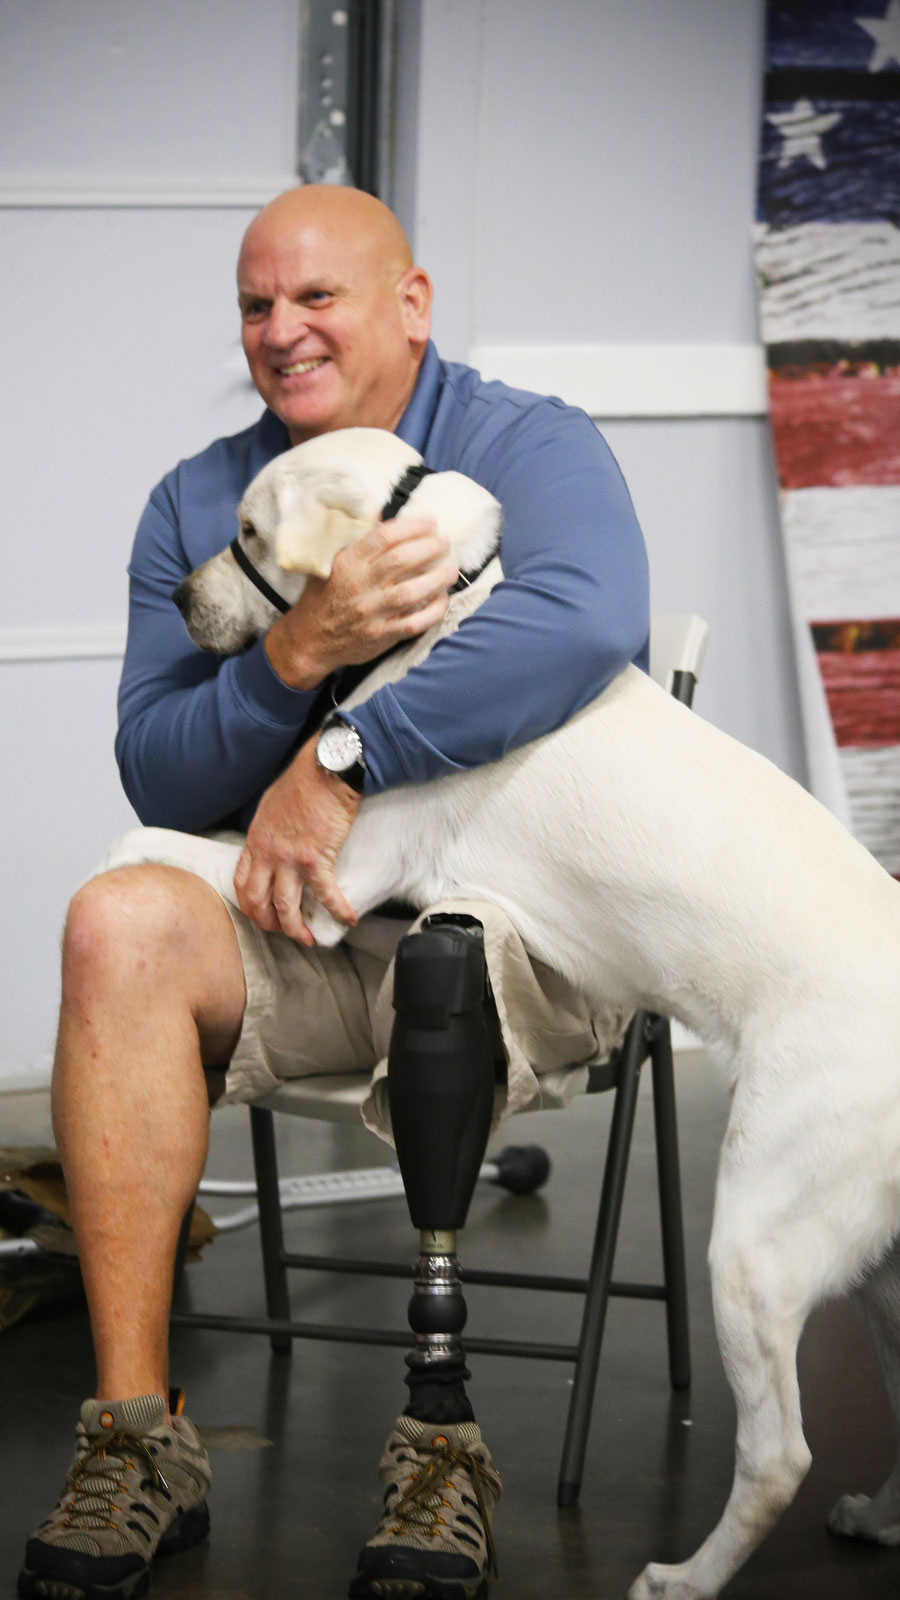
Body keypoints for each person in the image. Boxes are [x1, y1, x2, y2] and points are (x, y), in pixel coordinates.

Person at [18, 185, 649, 1600]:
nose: (282, 330)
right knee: (115, 919)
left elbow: (589, 620)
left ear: (411, 305)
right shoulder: (199, 500)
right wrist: (294, 654)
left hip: (515, 937)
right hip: (301, 931)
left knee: (445, 958)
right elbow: (157, 768)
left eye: (319, 296)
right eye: (257, 304)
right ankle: (133, 1434)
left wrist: (343, 758)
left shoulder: (528, 446)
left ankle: (441, 1447)